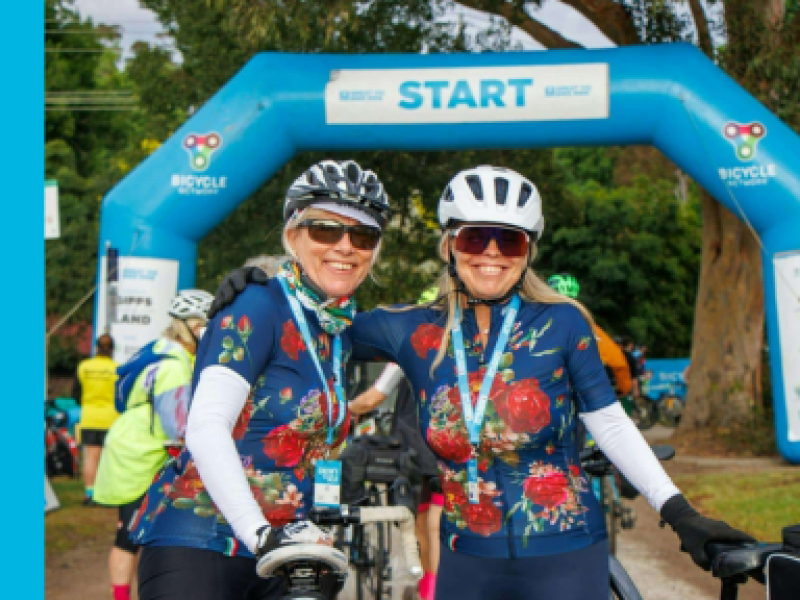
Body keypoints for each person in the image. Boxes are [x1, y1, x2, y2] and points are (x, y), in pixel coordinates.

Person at [213, 164, 754, 600]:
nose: (491, 254)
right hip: (466, 559)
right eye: (476, 238)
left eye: (509, 241)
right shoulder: (414, 331)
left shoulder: (562, 323)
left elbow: (609, 424)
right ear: (450, 245)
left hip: (566, 555)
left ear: (528, 251)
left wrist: (679, 511)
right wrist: (264, 284)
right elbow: (314, 319)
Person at [129, 160, 392, 600]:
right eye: (326, 229)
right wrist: (259, 534)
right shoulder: (257, 304)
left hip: (292, 552)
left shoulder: (337, 329)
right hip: (205, 540)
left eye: (362, 235)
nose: (345, 246)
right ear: (293, 236)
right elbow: (206, 425)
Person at [93, 290, 212, 600]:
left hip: (140, 447)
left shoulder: (161, 350)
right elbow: (179, 426)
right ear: (187, 326)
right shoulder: (174, 366)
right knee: (130, 536)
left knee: (140, 535)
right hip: (139, 455)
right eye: (202, 326)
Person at [545, 274, 632, 397]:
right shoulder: (588, 327)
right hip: (580, 395)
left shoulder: (532, 324)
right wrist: (623, 388)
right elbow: (619, 363)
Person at [73, 333, 118, 505]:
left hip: (90, 417)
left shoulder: (84, 367)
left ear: (96, 347)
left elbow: (75, 395)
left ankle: (89, 494)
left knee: (91, 457)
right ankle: (105, 494)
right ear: (113, 349)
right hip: (112, 419)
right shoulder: (117, 368)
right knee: (108, 459)